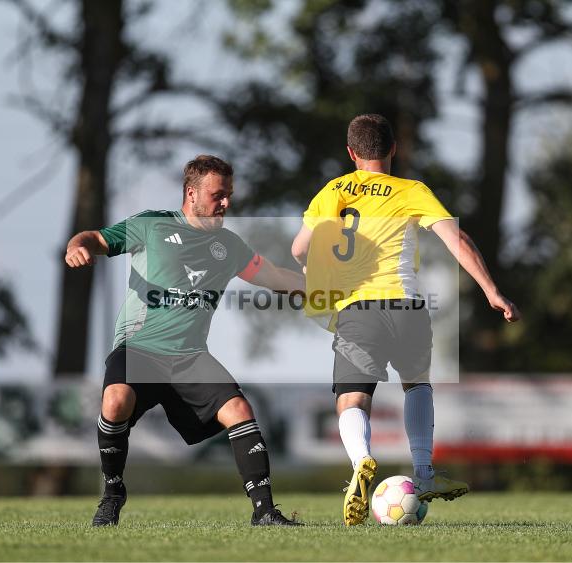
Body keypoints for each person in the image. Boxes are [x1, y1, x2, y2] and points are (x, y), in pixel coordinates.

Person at [291, 114, 520, 526]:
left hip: (359, 309)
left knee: (352, 397)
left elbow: (298, 249)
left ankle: (361, 462)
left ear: (351, 153)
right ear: (393, 148)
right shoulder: (412, 191)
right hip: (409, 306)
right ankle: (424, 471)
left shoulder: (333, 191)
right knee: (417, 384)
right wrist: (491, 290)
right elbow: (457, 238)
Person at [66, 155, 304, 527]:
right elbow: (94, 238)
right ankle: (112, 495)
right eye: (217, 195)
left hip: (190, 356)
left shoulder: (230, 246)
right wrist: (75, 247)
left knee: (240, 411)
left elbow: (273, 276)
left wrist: (321, 288)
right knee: (115, 401)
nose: (225, 203)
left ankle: (265, 512)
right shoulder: (151, 226)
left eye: (229, 195)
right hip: (140, 348)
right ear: (191, 193)